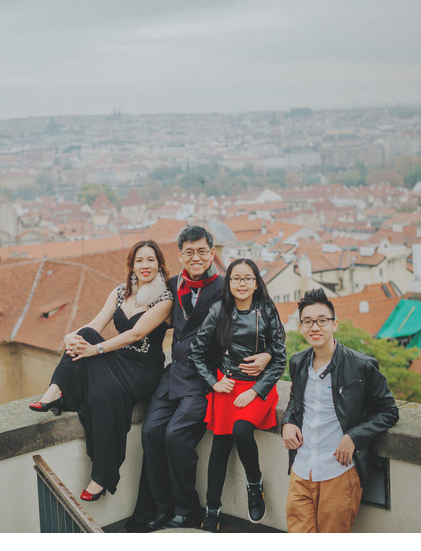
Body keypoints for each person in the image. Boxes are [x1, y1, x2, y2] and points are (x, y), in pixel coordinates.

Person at [132, 226, 274, 531]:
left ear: (212, 253)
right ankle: (161, 506)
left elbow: (261, 321)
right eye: (189, 252)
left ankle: (187, 508)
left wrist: (268, 356)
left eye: (201, 251)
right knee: (151, 433)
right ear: (180, 255)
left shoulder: (227, 287)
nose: (195, 257)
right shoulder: (170, 285)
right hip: (173, 376)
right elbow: (135, 301)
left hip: (206, 379)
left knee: (176, 437)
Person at [29, 240, 173, 501]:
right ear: (132, 265)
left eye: (151, 260)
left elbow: (136, 334)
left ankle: (102, 476)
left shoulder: (165, 299)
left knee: (105, 393)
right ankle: (54, 391)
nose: (145, 265)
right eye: (139, 260)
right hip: (118, 359)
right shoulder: (120, 292)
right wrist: (72, 337)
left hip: (144, 369)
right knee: (85, 334)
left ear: (159, 265)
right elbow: (96, 324)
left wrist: (94, 350)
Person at [282, 288, 399, 533]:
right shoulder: (298, 362)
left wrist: (354, 436)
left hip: (338, 471)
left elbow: (389, 411)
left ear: (334, 324)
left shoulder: (361, 366)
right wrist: (288, 422)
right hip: (301, 469)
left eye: (322, 320)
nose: (315, 327)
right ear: (301, 327)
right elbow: (295, 401)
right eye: (307, 321)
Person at [189, 258, 286, 533]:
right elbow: (196, 352)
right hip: (227, 385)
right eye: (236, 278)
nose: (241, 284)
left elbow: (280, 359)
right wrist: (214, 383)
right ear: (228, 282)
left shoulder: (267, 310)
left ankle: (254, 485)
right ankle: (212, 510)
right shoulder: (219, 310)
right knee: (219, 449)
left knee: (242, 431)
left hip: (259, 386)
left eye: (247, 278)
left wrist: (256, 390)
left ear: (256, 283)